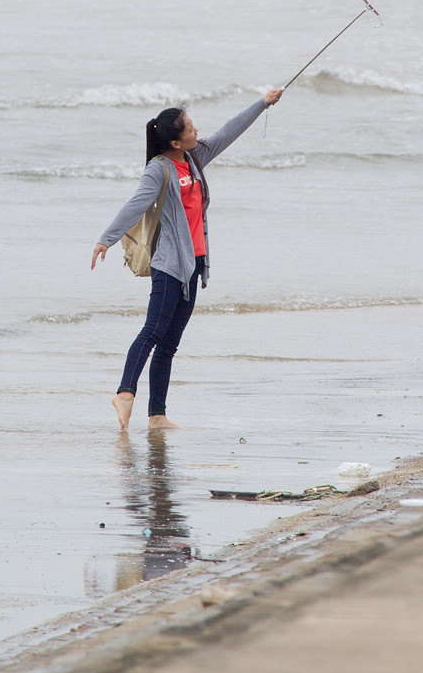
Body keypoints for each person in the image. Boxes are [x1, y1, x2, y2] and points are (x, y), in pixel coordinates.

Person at [91, 89, 282, 432]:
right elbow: (135, 204)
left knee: (170, 343)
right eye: (190, 129)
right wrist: (107, 238)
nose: (197, 131)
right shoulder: (159, 170)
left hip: (193, 264)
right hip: (169, 266)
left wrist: (263, 103)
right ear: (176, 142)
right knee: (153, 331)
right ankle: (124, 392)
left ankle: (157, 416)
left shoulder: (195, 158)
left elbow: (228, 131)